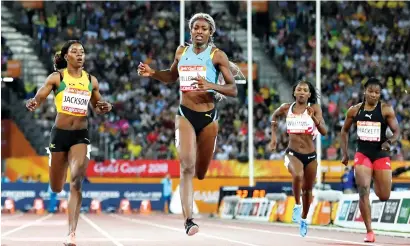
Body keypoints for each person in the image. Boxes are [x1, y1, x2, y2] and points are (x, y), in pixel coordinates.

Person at [138, 13, 238, 236]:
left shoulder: (217, 55)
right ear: (190, 31)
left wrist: (211, 85)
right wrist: (153, 73)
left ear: (210, 33)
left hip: (208, 118)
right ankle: (188, 221)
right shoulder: (181, 52)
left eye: (204, 28)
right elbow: (172, 76)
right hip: (185, 114)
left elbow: (233, 89)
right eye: (196, 28)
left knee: (200, 173)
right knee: (186, 166)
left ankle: (204, 159)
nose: (199, 31)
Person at [25, 40, 112, 245]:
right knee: (56, 187)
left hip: (80, 135)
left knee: (76, 180)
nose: (80, 55)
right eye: (75, 52)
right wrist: (35, 102)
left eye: (82, 52)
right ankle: (54, 165)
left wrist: (104, 107)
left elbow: (97, 106)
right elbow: (41, 94)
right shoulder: (58, 77)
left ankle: (71, 233)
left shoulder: (91, 80)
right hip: (59, 135)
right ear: (66, 56)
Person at [341, 77, 400, 243]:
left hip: (380, 154)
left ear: (380, 94)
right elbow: (344, 131)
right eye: (371, 91)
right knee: (363, 190)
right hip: (363, 154)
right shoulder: (354, 111)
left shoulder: (386, 110)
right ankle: (369, 231)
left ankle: (376, 177)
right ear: (364, 92)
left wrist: (390, 142)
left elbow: (396, 132)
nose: (374, 95)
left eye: (377, 92)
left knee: (384, 196)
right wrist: (345, 153)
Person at [269, 80, 327, 237]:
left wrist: (313, 118)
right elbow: (274, 116)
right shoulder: (287, 108)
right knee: (297, 175)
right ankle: (296, 205)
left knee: (308, 190)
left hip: (311, 156)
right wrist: (273, 138)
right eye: (299, 89)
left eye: (305, 90)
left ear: (309, 94)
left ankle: (303, 219)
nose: (301, 92)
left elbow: (324, 131)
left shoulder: (314, 108)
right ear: (294, 92)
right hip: (292, 153)